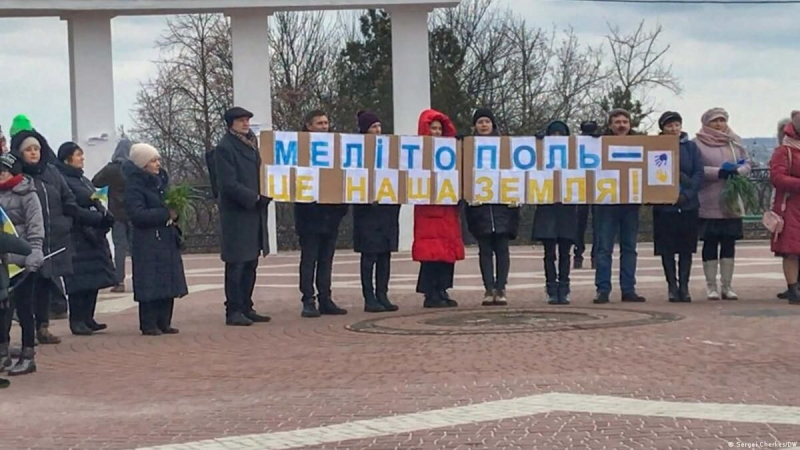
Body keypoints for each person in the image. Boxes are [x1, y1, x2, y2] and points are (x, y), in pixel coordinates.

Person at [10, 129, 89, 344]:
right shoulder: (15, 175)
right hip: (26, 240)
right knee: (27, 286)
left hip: (53, 238)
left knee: (46, 283)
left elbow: (67, 199)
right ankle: (26, 330)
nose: (34, 153)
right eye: (28, 149)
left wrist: (66, 222)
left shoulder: (51, 172)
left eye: (36, 148)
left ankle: (42, 327)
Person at [212, 107, 272, 326]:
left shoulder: (253, 145)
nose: (246, 124)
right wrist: (254, 198)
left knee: (250, 263)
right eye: (241, 121)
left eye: (247, 120)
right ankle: (234, 309)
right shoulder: (225, 148)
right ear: (231, 124)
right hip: (237, 214)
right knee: (236, 264)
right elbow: (228, 184)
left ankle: (247, 306)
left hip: (253, 213)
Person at [123, 143, 188, 335]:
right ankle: (149, 323)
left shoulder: (162, 182)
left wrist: (176, 214)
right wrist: (165, 213)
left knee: (168, 279)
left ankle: (164, 321)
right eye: (153, 160)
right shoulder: (134, 186)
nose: (158, 164)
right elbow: (137, 215)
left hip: (166, 238)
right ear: (142, 164)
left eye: (158, 159)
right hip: (147, 241)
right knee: (150, 281)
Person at [56, 142, 117, 334]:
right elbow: (73, 205)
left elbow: (95, 197)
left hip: (93, 234)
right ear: (67, 158)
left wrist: (104, 214)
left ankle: (88, 317)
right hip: (77, 235)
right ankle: (77, 320)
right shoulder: (64, 179)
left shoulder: (82, 178)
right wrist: (96, 215)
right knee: (79, 281)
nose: (82, 158)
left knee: (93, 278)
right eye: (78, 155)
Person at [694, 108, 751, 301]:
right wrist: (718, 172)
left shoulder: (734, 141)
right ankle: (711, 286)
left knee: (729, 243)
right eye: (714, 121)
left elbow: (747, 163)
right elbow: (697, 169)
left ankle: (727, 285)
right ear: (706, 123)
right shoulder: (698, 144)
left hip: (731, 201)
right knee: (710, 242)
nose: (719, 124)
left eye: (722, 120)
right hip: (709, 199)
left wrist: (739, 171)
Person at [296, 110, 349, 318]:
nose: (324, 126)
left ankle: (325, 298)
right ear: (309, 126)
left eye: (326, 122)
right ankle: (308, 299)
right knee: (309, 258)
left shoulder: (337, 148)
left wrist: (342, 206)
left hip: (331, 213)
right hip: (309, 214)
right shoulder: (300, 148)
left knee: (327, 259)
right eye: (319, 123)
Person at [466, 108, 519, 306]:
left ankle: (501, 287)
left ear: (493, 124)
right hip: (479, 207)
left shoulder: (507, 146)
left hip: (504, 206)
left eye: (487, 121)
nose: (484, 125)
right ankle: (488, 288)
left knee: (502, 250)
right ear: (475, 126)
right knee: (485, 251)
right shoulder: (467, 147)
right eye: (480, 122)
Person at [593, 109, 646, 304]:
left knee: (629, 248)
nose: (621, 125)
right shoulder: (598, 144)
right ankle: (603, 289)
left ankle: (628, 289)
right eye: (617, 122)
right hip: (606, 203)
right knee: (604, 248)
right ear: (610, 125)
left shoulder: (641, 145)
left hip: (631, 203)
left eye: (625, 121)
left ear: (630, 124)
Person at [413, 109, 465, 308]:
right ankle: (430, 292)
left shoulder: (452, 152)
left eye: (439, 129)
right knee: (431, 254)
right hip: (430, 210)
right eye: (432, 128)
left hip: (448, 208)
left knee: (447, 254)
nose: (436, 132)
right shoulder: (417, 152)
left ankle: (442, 289)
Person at [352, 112, 400, 313]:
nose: (377, 130)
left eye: (379, 126)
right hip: (367, 212)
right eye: (373, 127)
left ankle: (382, 294)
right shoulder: (355, 151)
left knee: (384, 256)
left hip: (387, 209)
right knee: (369, 256)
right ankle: (369, 297)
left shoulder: (390, 150)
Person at [652, 112, 703, 303]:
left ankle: (684, 286)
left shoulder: (690, 147)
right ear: (663, 129)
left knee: (686, 249)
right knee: (667, 249)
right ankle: (672, 286)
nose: (674, 129)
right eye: (670, 126)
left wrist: (687, 194)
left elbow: (699, 172)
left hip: (687, 205)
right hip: (665, 207)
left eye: (677, 125)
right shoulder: (655, 147)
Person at [0, 152, 42, 376]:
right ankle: (3, 352)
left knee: (24, 308)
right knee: (2, 310)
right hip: (3, 262)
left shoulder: (27, 193)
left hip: (24, 261)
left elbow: (35, 226)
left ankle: (28, 355)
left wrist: (35, 252)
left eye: (3, 172)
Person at [532, 121, 578, 305]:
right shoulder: (540, 153)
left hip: (566, 207)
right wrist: (535, 143)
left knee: (566, 253)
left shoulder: (575, 154)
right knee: (549, 253)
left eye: (561, 134)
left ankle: (564, 288)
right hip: (547, 206)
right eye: (554, 134)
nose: (557, 137)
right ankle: (552, 288)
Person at [92, 137, 133, 293]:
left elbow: (95, 181)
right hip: (133, 212)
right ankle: (140, 280)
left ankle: (119, 281)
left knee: (120, 248)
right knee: (136, 248)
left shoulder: (111, 169)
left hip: (116, 213)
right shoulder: (133, 168)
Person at [770, 112, 800, 304]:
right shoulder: (784, 151)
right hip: (790, 205)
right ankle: (793, 289)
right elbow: (777, 178)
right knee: (791, 250)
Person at [575, 120, 601, 270]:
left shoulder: (600, 142)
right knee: (581, 225)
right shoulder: (576, 144)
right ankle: (584, 255)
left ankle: (584, 255)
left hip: (597, 187)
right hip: (581, 186)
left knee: (590, 224)